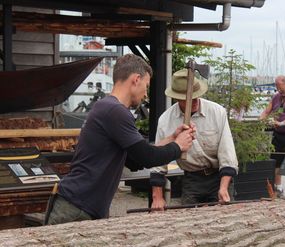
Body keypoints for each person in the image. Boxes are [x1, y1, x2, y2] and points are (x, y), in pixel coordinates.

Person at [47, 54, 195, 224]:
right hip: (75, 208)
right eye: (146, 86)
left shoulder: (107, 108)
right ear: (136, 79)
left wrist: (172, 138)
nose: (146, 94)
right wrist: (178, 146)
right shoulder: (114, 111)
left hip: (80, 206)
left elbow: (135, 160)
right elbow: (147, 157)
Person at [150, 69, 238, 209]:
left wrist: (223, 187)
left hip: (218, 178)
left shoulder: (217, 112)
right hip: (191, 179)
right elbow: (158, 165)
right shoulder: (166, 120)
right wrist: (157, 197)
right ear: (178, 99)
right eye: (190, 98)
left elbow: (227, 154)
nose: (195, 100)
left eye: (197, 96)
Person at [259, 75, 285, 197]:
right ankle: (278, 189)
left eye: (279, 87)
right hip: (278, 134)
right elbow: (266, 111)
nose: (278, 90)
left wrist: (282, 123)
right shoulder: (276, 97)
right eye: (276, 87)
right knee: (276, 162)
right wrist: (260, 121)